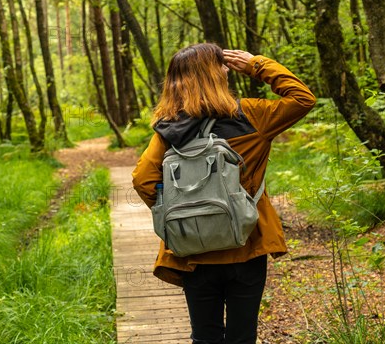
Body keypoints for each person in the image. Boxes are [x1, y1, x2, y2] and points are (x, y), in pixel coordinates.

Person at [132, 43, 316, 344]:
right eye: (222, 65)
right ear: (213, 75)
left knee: (205, 337)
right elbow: (303, 98)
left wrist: (181, 211)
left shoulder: (169, 130)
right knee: (242, 337)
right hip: (247, 243)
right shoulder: (253, 116)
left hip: (194, 250)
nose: (228, 69)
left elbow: (143, 179)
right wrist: (256, 64)